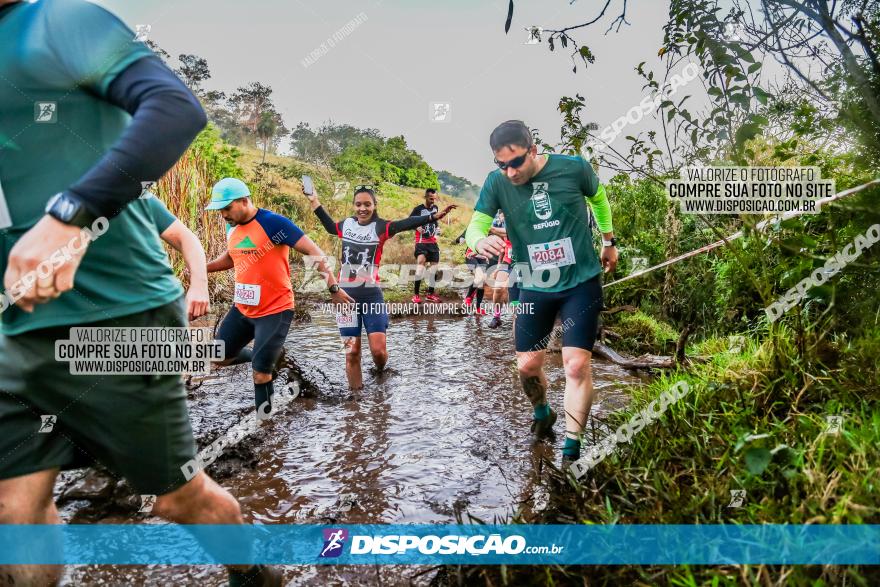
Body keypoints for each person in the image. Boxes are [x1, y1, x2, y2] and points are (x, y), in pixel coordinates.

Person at [0, 1, 280, 584]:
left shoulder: (55, 21)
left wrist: (70, 216)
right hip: (14, 331)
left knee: (178, 499)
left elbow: (177, 109)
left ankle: (257, 573)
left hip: (119, 316)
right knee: (13, 509)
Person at [465, 120, 618, 470]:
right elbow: (476, 223)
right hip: (534, 284)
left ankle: (571, 450)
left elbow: (598, 197)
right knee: (528, 367)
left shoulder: (573, 167)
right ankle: (542, 412)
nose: (509, 171)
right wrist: (478, 240)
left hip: (581, 282)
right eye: (500, 164)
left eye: (515, 162)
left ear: (533, 151)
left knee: (576, 364)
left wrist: (609, 241)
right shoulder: (497, 183)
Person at [206, 178, 352, 415]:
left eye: (227, 208)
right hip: (242, 308)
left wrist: (333, 288)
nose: (223, 214)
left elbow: (314, 251)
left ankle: (264, 425)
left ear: (244, 200)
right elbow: (235, 256)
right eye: (220, 210)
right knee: (219, 356)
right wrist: (202, 268)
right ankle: (267, 356)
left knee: (261, 374)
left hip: (275, 310)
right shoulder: (231, 225)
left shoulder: (273, 223)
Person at [305, 185, 455, 390]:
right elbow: (331, 227)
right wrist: (314, 201)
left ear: (375, 206)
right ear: (354, 206)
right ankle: (355, 402)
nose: (362, 208)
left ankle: (380, 370)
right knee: (352, 353)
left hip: (372, 297)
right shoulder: (347, 224)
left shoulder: (381, 227)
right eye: (358, 204)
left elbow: (406, 223)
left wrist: (432, 218)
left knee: (378, 352)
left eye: (367, 204)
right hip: (345, 298)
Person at [411, 188, 447, 303]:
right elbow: (409, 221)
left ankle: (430, 294)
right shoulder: (418, 209)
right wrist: (416, 227)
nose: (433, 201)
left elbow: (435, 220)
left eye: (434, 199)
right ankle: (416, 295)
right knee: (420, 266)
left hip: (433, 243)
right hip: (421, 242)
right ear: (425, 197)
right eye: (431, 198)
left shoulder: (435, 208)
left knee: (434, 269)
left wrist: (438, 229)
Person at [486, 212, 514, 329]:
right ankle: (496, 317)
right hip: (507, 261)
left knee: (509, 288)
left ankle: (517, 317)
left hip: (521, 263)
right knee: (498, 288)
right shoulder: (505, 225)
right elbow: (504, 246)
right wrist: (498, 265)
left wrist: (491, 229)